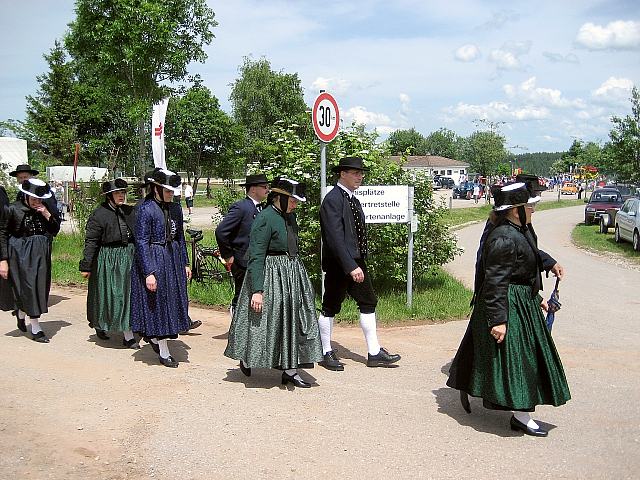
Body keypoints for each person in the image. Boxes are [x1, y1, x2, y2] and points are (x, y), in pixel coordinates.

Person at [447, 182, 571, 437]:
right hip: (508, 302)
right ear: (516, 210)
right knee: (520, 360)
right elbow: (495, 281)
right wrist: (498, 320)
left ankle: (514, 409)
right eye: (530, 206)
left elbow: (527, 258)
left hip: (521, 300)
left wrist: (540, 285)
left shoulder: (518, 228)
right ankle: (521, 416)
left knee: (521, 357)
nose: (534, 209)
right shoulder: (503, 237)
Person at [224, 178, 323, 388]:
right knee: (264, 321)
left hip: (292, 273)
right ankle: (248, 356)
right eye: (293, 200)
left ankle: (290, 370)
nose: (296, 205)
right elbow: (256, 255)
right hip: (270, 273)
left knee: (293, 318)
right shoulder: (265, 218)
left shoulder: (290, 216)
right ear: (279, 198)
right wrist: (257, 290)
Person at [317, 156, 401, 371]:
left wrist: (358, 262)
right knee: (330, 306)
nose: (360, 176)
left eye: (361, 173)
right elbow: (334, 238)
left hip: (356, 261)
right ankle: (324, 350)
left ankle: (374, 353)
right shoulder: (333, 199)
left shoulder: (352, 198)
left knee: (368, 301)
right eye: (355, 173)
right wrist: (350, 266)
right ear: (342, 174)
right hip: (339, 264)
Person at [130, 169, 191, 367]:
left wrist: (185, 262)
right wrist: (149, 272)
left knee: (171, 301)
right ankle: (163, 350)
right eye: (167, 190)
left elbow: (180, 237)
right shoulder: (145, 209)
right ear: (156, 188)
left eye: (172, 191)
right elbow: (141, 242)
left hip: (172, 259)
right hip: (154, 258)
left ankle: (157, 338)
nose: (170, 194)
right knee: (159, 304)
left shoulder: (176, 208)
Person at [79, 178, 138, 348]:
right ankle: (117, 331)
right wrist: (86, 265)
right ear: (109, 196)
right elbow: (91, 241)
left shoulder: (129, 211)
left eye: (123, 193)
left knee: (128, 296)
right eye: (117, 193)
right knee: (110, 295)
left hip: (129, 256)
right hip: (108, 260)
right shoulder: (99, 214)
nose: (121, 196)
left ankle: (128, 331)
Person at [0, 179, 61, 342]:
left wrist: (47, 215)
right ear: (26, 196)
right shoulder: (12, 209)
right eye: (34, 199)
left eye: (39, 199)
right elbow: (3, 234)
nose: (37, 202)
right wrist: (3, 260)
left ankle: (21, 312)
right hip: (20, 252)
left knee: (40, 287)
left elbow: (55, 230)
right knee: (28, 287)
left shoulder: (44, 209)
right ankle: (36, 327)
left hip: (40, 253)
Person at [215, 174, 270, 314]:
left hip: (256, 260)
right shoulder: (241, 207)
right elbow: (221, 231)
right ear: (253, 189)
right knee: (241, 296)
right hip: (242, 261)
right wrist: (228, 255)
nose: (267, 190)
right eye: (264, 187)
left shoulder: (263, 208)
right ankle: (235, 328)